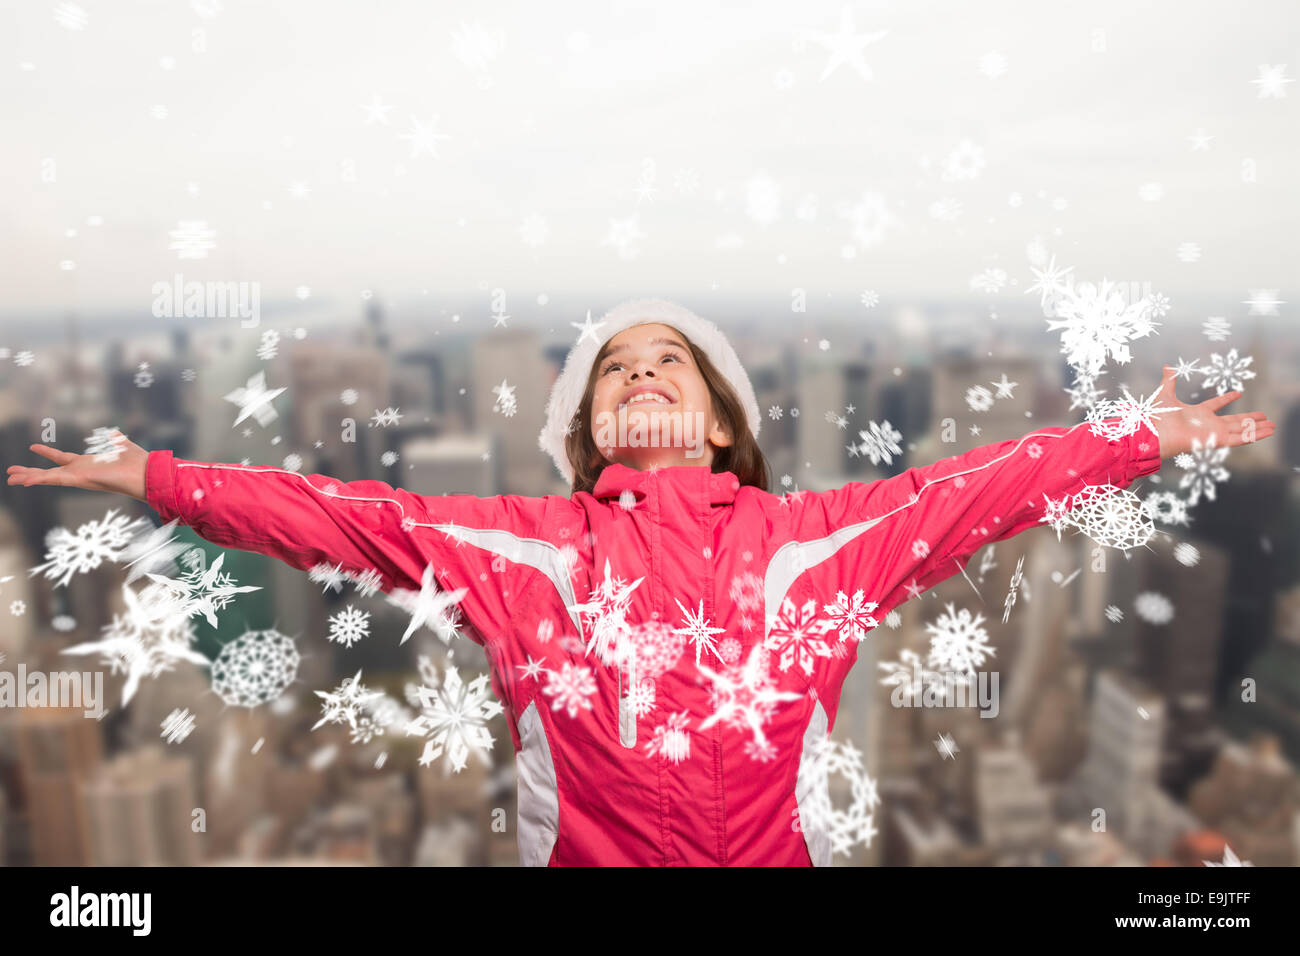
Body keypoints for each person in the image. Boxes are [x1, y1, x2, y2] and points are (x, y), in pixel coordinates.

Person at [7, 297, 1276, 866]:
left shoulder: (817, 542)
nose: (645, 373)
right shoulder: (522, 549)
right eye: (618, 368)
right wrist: (157, 477)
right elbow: (336, 516)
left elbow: (978, 488)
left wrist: (1134, 436)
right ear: (589, 424)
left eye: (673, 360)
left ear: (722, 422)